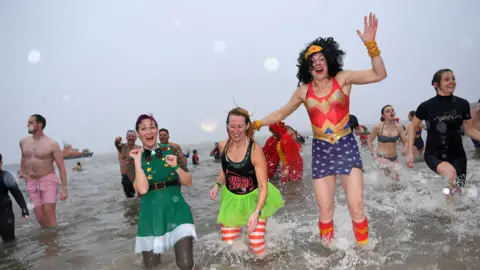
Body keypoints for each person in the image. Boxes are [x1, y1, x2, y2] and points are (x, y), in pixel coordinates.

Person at [252, 13, 387, 246]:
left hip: (346, 146)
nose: (317, 63)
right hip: (321, 149)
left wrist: (371, 46)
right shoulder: (303, 91)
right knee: (325, 211)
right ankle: (328, 255)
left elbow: (379, 74)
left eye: (321, 58)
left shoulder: (343, 79)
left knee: (356, 207)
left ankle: (365, 255)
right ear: (307, 67)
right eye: (312, 61)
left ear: (330, 60)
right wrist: (255, 124)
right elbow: (281, 114)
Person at [209, 107, 284, 256]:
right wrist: (217, 184)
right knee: (231, 245)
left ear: (247, 126)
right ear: (227, 126)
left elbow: (263, 185)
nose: (235, 130)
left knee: (257, 247)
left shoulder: (255, 150)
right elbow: (226, 168)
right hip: (232, 198)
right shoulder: (223, 146)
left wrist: (256, 212)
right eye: (232, 126)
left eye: (240, 126)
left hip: (254, 197)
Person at [126, 114, 196, 269]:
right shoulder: (131, 159)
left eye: (152, 127)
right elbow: (142, 189)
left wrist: (176, 167)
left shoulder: (171, 150)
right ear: (138, 134)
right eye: (143, 128)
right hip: (150, 215)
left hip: (177, 210)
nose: (149, 131)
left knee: (186, 264)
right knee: (152, 266)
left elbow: (188, 182)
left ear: (157, 130)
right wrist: (138, 162)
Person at [406, 69, 480, 191]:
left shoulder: (462, 104)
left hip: (458, 154)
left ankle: (448, 209)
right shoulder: (426, 106)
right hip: (434, 154)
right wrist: (409, 152)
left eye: (453, 79)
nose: (452, 82)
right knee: (450, 174)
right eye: (447, 79)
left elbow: (469, 130)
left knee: (458, 190)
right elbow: (412, 127)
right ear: (436, 84)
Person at [18, 114, 68, 227]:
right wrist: (23, 172)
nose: (27, 125)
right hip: (31, 181)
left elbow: (61, 166)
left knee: (49, 212)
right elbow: (23, 157)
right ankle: (47, 240)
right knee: (39, 217)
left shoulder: (52, 144)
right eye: (28, 122)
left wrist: (64, 188)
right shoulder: (23, 142)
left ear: (39, 125)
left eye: (31, 122)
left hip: (48, 179)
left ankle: (54, 242)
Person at [367, 105, 407, 180]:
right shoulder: (378, 127)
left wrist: (405, 148)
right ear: (383, 115)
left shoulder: (399, 127)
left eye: (392, 110)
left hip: (394, 158)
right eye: (387, 111)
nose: (391, 112)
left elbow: (405, 142)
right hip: (381, 157)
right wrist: (373, 152)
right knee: (396, 171)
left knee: (395, 180)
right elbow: (369, 140)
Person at [0, 153, 29, 243]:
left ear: (0, 163)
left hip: (4, 212)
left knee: (9, 243)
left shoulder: (6, 176)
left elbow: (16, 193)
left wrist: (24, 208)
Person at [114, 130, 141, 198]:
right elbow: (116, 143)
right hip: (126, 178)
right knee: (130, 201)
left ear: (136, 138)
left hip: (137, 177)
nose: (131, 137)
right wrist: (117, 139)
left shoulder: (139, 148)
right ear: (126, 137)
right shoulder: (121, 147)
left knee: (141, 198)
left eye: (132, 136)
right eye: (129, 136)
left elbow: (149, 153)